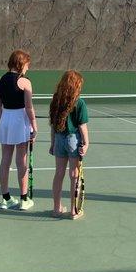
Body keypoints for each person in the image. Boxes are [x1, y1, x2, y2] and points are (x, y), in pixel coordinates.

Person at [0, 49, 38, 211]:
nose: (28, 68)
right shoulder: (25, 82)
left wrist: (3, 122)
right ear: (21, 64)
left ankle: (5, 198)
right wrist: (34, 126)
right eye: (27, 64)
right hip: (21, 122)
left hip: (6, 120)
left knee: (5, 159)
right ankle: (24, 199)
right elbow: (29, 107)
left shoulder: (0, 79)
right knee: (22, 161)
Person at [49, 70, 89, 220]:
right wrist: (86, 143)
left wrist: (53, 143)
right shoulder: (79, 102)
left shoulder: (55, 100)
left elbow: (53, 125)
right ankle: (73, 210)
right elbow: (82, 126)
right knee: (74, 175)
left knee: (59, 174)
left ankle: (56, 209)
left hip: (59, 138)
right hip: (73, 140)